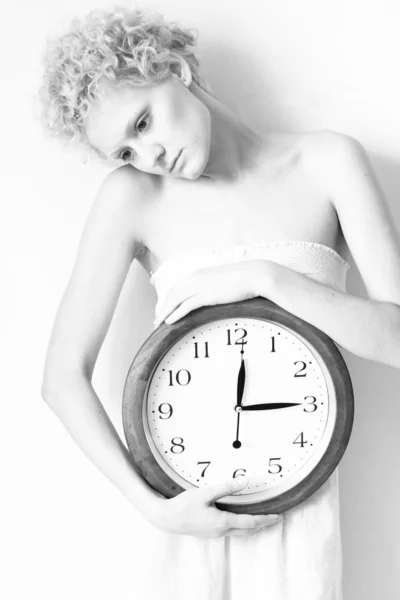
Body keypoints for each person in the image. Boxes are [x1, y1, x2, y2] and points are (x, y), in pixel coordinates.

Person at [39, 6, 400, 600]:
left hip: (299, 502)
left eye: (144, 121)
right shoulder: (133, 198)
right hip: (184, 513)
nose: (149, 154)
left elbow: (394, 335)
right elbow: (60, 379)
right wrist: (154, 509)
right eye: (126, 150)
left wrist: (266, 278)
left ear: (175, 68)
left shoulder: (327, 162)